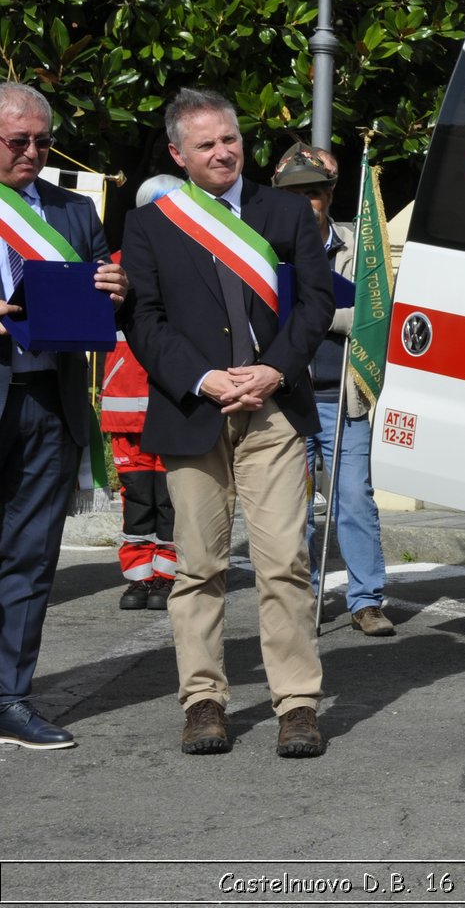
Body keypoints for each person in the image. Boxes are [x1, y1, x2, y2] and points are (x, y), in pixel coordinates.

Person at [120, 89, 333, 758]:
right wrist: (205, 378)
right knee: (199, 567)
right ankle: (204, 700)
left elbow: (318, 301)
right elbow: (143, 320)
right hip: (194, 410)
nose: (222, 152)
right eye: (206, 144)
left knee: (284, 565)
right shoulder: (153, 225)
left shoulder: (284, 212)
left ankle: (297, 704)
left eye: (230, 139)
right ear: (179, 154)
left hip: (271, 409)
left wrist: (273, 369)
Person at [0, 82, 129, 749]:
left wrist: (116, 288)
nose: (32, 151)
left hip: (48, 401)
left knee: (29, 555)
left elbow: (106, 302)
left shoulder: (74, 211)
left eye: (41, 141)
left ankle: (9, 697)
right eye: (17, 141)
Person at [271, 142, 393, 637]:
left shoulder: (357, 246)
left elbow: (374, 313)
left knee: (354, 501)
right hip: (285, 398)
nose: (307, 202)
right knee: (290, 508)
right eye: (296, 193)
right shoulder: (266, 243)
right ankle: (304, 596)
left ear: (330, 195)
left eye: (316, 193)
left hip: (343, 397)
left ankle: (367, 601)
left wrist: (310, 312)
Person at [104, 174, 184, 612]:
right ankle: (138, 577)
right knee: (137, 494)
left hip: (172, 402)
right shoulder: (113, 265)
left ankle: (168, 575)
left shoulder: (192, 265)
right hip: (125, 405)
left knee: (170, 496)